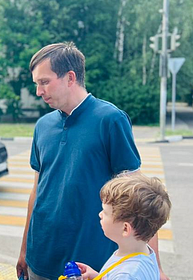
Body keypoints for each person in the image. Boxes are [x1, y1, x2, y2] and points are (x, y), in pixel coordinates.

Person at [16, 42, 168, 280]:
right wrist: (24, 250)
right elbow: (37, 192)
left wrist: (154, 266)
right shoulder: (42, 126)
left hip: (90, 264)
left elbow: (139, 201)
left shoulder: (110, 120)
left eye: (44, 82)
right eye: (36, 84)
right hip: (40, 259)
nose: (38, 91)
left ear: (70, 77)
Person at [77, 175, 171, 279]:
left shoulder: (128, 274)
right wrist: (98, 276)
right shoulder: (141, 252)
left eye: (105, 212)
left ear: (125, 229)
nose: (100, 214)